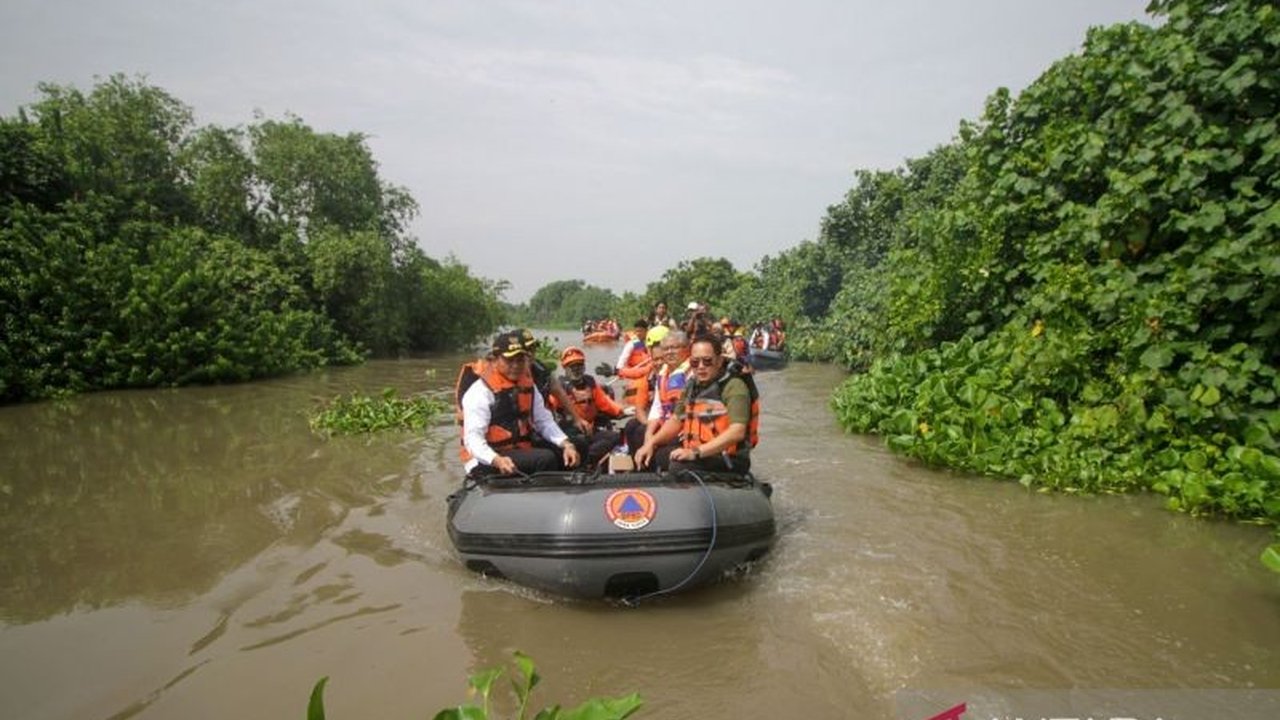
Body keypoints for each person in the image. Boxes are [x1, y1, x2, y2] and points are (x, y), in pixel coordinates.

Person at [456, 330, 580, 478]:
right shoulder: (480, 392)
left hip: (518, 449)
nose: (516, 365)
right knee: (545, 459)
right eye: (510, 360)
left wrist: (566, 444)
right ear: (495, 360)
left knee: (578, 446)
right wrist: (497, 460)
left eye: (520, 359)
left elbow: (544, 421)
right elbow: (474, 440)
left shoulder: (528, 385)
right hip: (484, 458)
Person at [635, 334, 759, 476]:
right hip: (700, 454)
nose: (700, 367)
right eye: (695, 362)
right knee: (656, 454)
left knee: (678, 466)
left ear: (719, 361)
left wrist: (695, 453)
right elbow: (676, 420)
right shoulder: (693, 385)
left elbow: (737, 432)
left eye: (707, 361)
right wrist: (651, 443)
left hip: (727, 459)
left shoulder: (734, 386)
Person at [622, 329, 690, 470]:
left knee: (660, 454)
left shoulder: (692, 375)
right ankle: (640, 471)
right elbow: (657, 408)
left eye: (675, 348)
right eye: (666, 349)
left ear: (686, 349)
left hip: (682, 429)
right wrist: (649, 435)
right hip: (665, 424)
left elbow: (678, 419)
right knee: (637, 430)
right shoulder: (662, 374)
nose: (670, 352)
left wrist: (652, 441)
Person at [552, 346, 628, 467]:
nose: (576, 369)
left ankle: (588, 461)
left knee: (615, 437)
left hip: (589, 431)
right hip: (569, 432)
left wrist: (622, 411)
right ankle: (581, 462)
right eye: (572, 366)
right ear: (565, 368)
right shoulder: (559, 388)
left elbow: (606, 403)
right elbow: (549, 410)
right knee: (580, 442)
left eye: (579, 365)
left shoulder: (591, 383)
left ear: (584, 367)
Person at [520, 329, 592, 437]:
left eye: (532, 348)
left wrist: (577, 419)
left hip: (543, 425)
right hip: (524, 430)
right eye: (526, 349)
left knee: (580, 439)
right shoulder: (513, 375)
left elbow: (559, 393)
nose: (530, 353)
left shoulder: (541, 370)